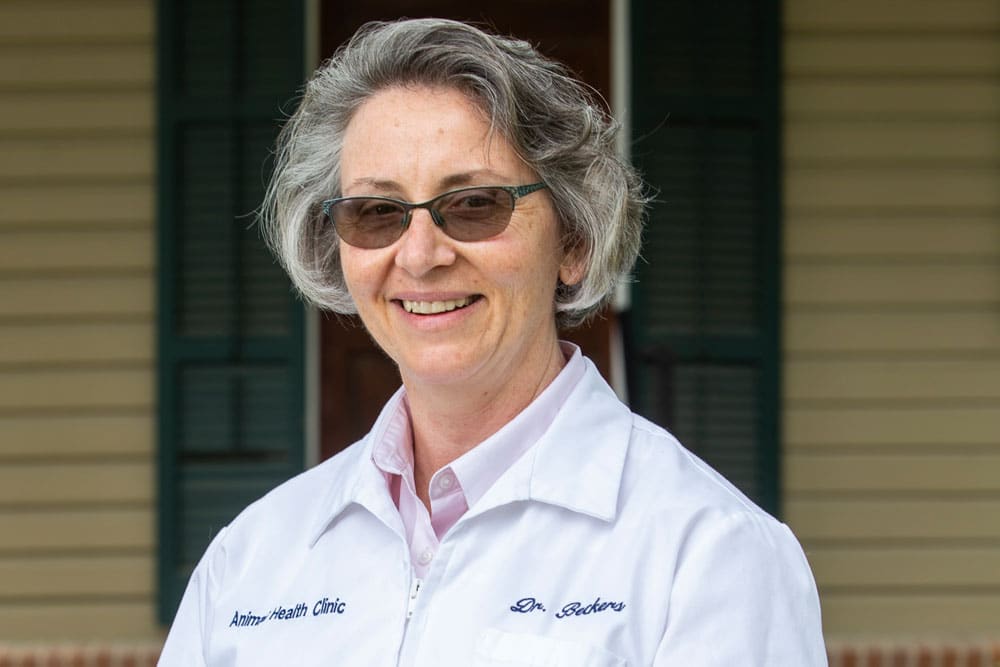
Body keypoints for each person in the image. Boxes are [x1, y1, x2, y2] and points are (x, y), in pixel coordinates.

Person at [159, 18, 826, 666]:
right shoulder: (249, 561)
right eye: (376, 212)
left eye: (475, 204)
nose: (419, 256)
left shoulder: (707, 554)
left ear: (573, 239)